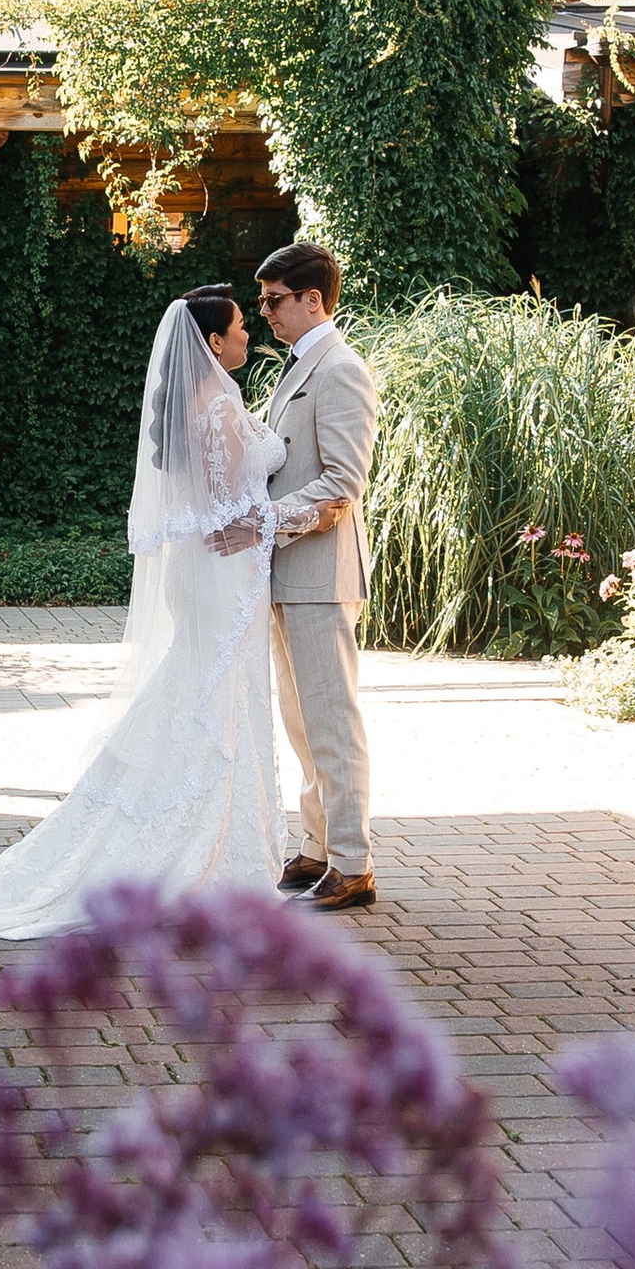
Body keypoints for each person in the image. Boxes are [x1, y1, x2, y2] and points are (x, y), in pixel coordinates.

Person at [0, 287, 286, 942]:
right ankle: (200, 855)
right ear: (213, 344)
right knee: (212, 704)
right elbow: (226, 509)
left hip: (207, 578)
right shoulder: (218, 407)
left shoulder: (201, 404)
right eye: (241, 328)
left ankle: (215, 843)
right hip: (223, 575)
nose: (249, 336)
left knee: (201, 695)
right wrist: (277, 514)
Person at [242, 241, 377, 912]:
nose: (263, 311)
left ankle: (353, 863)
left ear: (312, 299)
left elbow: (341, 483)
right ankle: (319, 846)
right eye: (262, 301)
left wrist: (260, 519)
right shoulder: (299, 367)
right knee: (300, 722)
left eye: (273, 299)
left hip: (322, 575)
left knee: (331, 721)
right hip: (289, 575)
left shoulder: (340, 368)